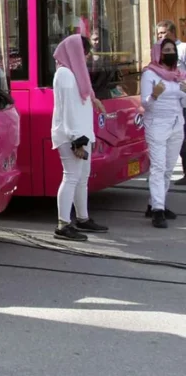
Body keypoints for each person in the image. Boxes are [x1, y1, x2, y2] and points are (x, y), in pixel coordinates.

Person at [51, 34, 109, 241]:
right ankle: (63, 224)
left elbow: (82, 99)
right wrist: (77, 140)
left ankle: (82, 218)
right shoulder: (65, 74)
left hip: (82, 134)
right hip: (72, 136)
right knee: (71, 177)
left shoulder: (75, 73)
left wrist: (95, 101)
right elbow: (68, 111)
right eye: (84, 53)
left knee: (82, 178)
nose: (86, 58)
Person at [140, 39, 186, 228]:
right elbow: (146, 104)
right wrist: (155, 94)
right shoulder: (149, 74)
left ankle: (155, 203)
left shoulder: (177, 75)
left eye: (172, 50)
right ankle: (158, 210)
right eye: (166, 50)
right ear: (158, 53)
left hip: (176, 124)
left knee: (167, 167)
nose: (170, 53)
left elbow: (183, 104)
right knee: (158, 167)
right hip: (157, 124)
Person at [155, 21, 186, 185]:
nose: (161, 36)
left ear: (173, 33)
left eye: (164, 32)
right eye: (159, 33)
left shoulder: (183, 49)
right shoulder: (160, 53)